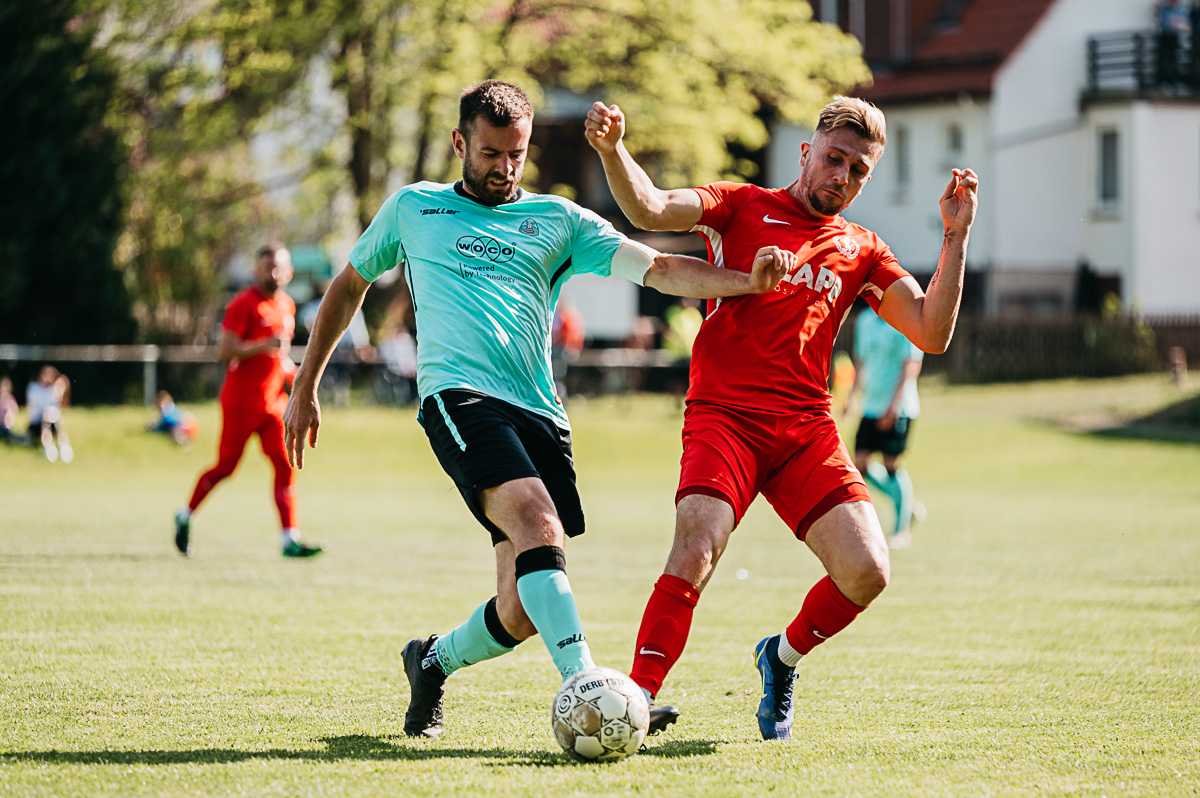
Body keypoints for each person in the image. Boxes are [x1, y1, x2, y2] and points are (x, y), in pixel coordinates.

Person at [283, 80, 794, 740]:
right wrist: (305, 384)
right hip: (457, 399)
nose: (504, 168)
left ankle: (431, 662)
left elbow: (662, 268)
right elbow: (349, 285)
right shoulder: (414, 209)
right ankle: (593, 689)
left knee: (521, 608)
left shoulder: (560, 220)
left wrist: (745, 282)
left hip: (540, 414)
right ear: (460, 143)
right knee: (537, 520)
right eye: (491, 154)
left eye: (516, 155)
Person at [585, 95, 978, 740]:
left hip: (805, 431)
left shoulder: (863, 249)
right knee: (697, 548)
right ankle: (636, 700)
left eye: (858, 171)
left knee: (868, 571)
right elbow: (650, 208)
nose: (842, 178)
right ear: (806, 151)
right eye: (833, 159)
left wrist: (955, 235)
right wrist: (613, 151)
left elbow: (932, 333)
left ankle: (781, 656)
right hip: (725, 418)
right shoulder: (741, 205)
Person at [175, 244, 323, 559]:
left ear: (289, 272)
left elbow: (279, 357)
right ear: (256, 270)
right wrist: (263, 345)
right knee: (226, 467)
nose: (273, 273)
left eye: (278, 267)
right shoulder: (243, 304)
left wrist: (299, 381)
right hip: (241, 403)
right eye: (267, 266)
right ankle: (185, 515)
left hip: (272, 404)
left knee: (286, 466)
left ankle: (289, 539)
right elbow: (225, 351)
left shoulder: (287, 305)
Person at [846, 306, 924, 550]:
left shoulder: (905, 320)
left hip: (899, 407)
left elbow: (911, 365)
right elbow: (860, 362)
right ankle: (905, 504)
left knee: (891, 465)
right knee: (860, 464)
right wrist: (852, 397)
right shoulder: (865, 321)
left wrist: (893, 406)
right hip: (871, 406)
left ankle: (901, 530)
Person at [26, 365, 72, 463]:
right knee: (46, 417)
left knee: (53, 417)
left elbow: (58, 407)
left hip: (52, 422)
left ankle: (63, 445)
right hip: (36, 424)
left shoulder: (53, 389)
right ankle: (48, 445)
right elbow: (34, 406)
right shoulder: (33, 388)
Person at [1157, 0, 1191, 86]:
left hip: (1176, 38)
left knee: (1175, 59)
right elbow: (1166, 24)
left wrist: (1176, 23)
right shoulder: (1165, 9)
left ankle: (1174, 79)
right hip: (1166, 37)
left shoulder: (1181, 10)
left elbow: (1186, 25)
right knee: (1165, 60)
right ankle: (1165, 80)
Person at [0, 376, 28, 445]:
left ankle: (20, 439)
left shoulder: (10, 400)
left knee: (8, 435)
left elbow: (14, 412)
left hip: (6, 426)